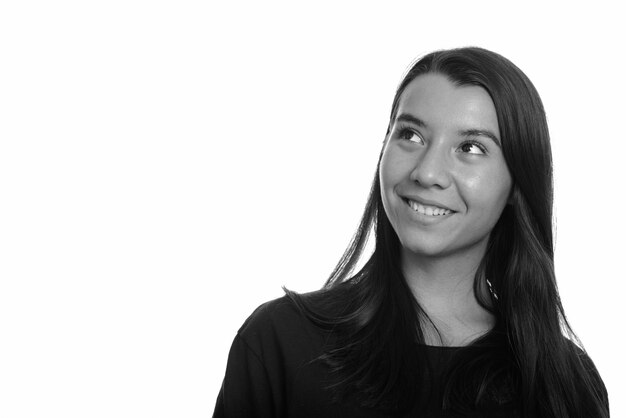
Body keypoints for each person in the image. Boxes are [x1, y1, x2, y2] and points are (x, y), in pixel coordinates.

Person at [213, 47, 610, 417]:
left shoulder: (566, 384)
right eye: (411, 136)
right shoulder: (280, 341)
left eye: (470, 147)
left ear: (517, 185)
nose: (427, 172)